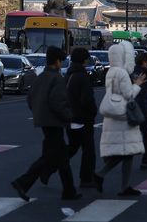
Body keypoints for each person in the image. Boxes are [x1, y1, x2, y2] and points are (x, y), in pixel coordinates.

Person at [11, 46, 80, 201]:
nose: (61, 64)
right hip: (55, 122)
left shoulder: (41, 77)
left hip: (43, 121)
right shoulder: (57, 78)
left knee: (58, 158)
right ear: (57, 61)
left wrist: (38, 111)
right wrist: (69, 116)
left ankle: (69, 191)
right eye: (61, 61)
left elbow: (30, 98)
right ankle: (23, 182)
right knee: (54, 158)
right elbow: (58, 102)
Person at [95, 41, 146, 196]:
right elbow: (128, 94)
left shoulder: (110, 71)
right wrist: (137, 84)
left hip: (113, 114)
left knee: (124, 153)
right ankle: (105, 177)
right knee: (126, 152)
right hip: (123, 116)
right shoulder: (122, 73)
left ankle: (119, 183)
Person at [64, 47, 98, 188]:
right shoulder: (82, 76)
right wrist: (93, 111)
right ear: (84, 60)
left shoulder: (69, 74)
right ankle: (86, 178)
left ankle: (47, 167)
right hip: (83, 118)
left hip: (70, 117)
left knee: (72, 148)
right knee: (88, 150)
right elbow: (87, 100)